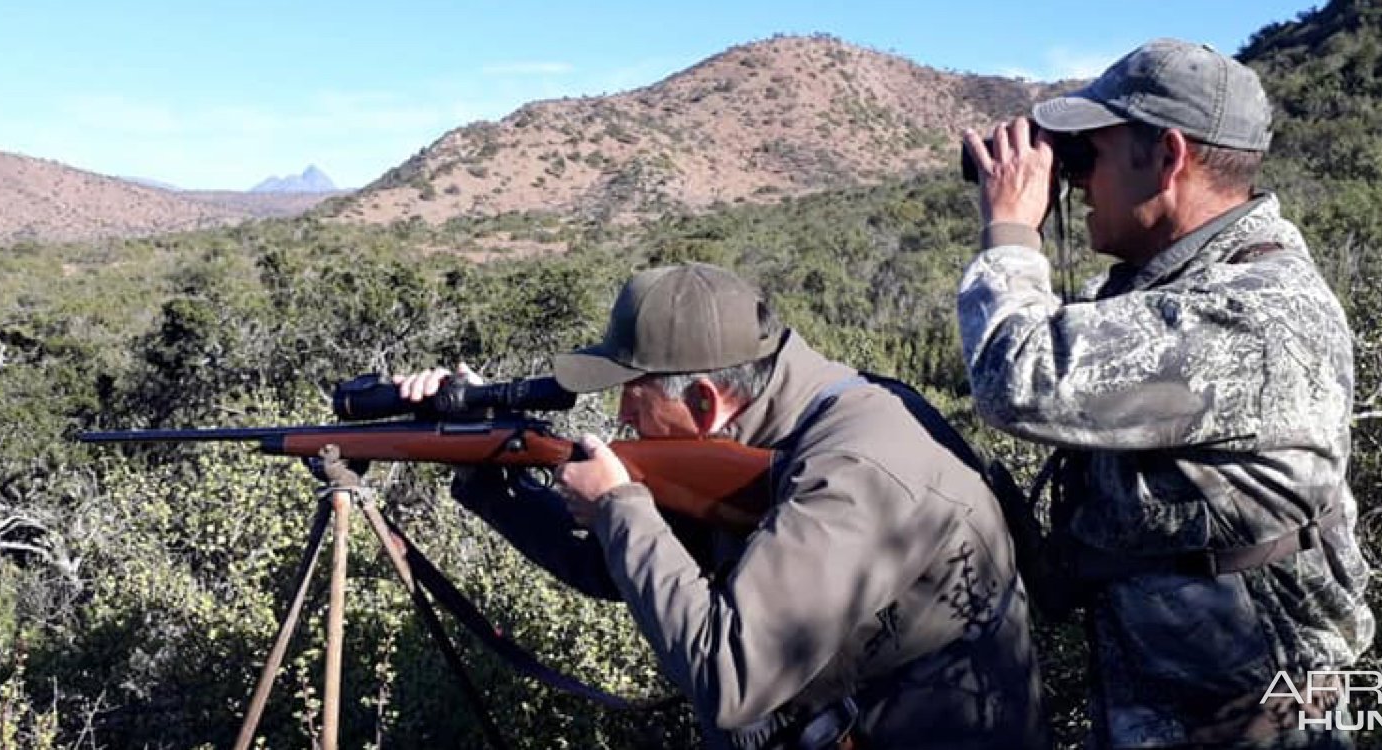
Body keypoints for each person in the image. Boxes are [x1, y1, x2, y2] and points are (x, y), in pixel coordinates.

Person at [398, 263, 1045, 749]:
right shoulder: (761, 430)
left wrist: (622, 505)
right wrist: (487, 468)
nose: (621, 414)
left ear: (706, 400)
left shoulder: (852, 470)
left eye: (633, 393)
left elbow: (732, 681)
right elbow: (607, 567)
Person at [955, 39, 1375, 748]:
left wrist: (1011, 229)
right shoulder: (1173, 289)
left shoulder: (1253, 314)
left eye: (1094, 152)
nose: (1080, 180)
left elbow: (1018, 376)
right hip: (1178, 708)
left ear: (1169, 156)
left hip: (1247, 727)